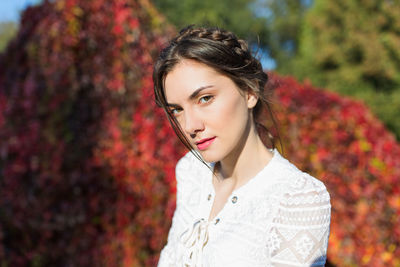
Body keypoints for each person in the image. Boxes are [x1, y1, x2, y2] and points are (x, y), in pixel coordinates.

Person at [153, 25, 331, 267]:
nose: (190, 126)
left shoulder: (298, 197)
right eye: (177, 110)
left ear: (249, 92)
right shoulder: (191, 171)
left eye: (205, 98)